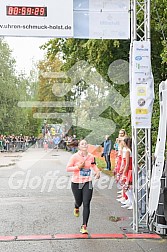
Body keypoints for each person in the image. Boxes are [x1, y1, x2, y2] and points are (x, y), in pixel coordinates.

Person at [66, 139, 100, 234]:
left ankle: (84, 225)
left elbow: (93, 166)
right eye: (82, 143)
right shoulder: (74, 157)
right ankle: (76, 206)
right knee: (79, 202)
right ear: (79, 147)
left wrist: (97, 172)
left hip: (87, 182)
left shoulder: (91, 157)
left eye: (86, 143)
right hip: (76, 182)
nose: (84, 144)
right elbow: (68, 168)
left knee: (86, 203)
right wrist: (78, 167)